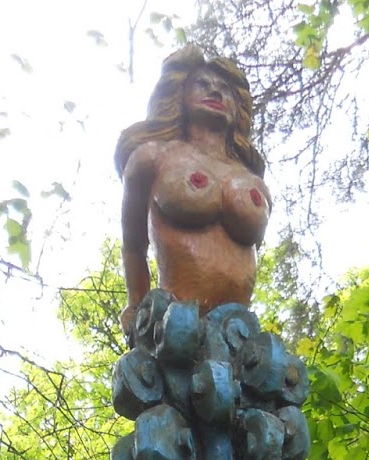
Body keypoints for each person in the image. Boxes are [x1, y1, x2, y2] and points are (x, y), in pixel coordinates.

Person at [115, 45, 271, 333]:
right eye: (202, 84)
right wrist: (137, 307)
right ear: (180, 95)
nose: (215, 93)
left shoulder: (253, 180)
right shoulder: (153, 157)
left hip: (240, 332)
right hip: (177, 323)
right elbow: (134, 244)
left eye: (225, 89)